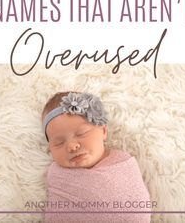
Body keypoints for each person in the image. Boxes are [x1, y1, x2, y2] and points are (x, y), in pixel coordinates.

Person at [42, 91, 152, 222]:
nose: (72, 146)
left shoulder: (122, 164)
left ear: (104, 131)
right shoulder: (58, 176)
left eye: (82, 133)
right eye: (59, 143)